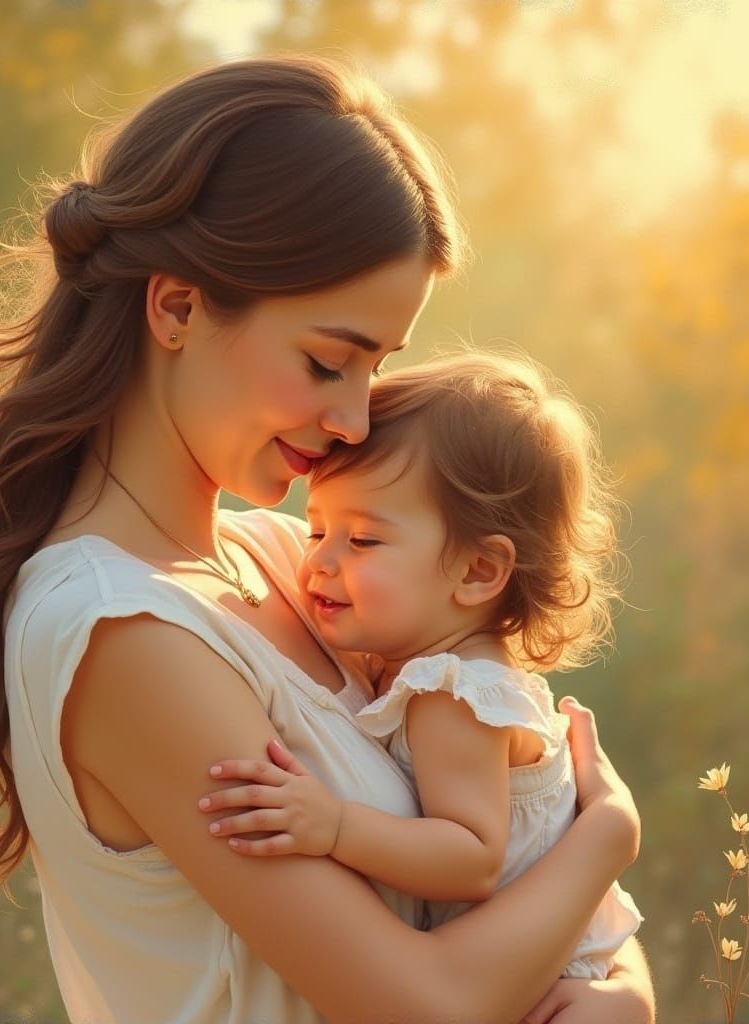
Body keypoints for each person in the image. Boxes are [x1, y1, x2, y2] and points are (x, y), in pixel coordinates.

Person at [0, 55, 654, 1023]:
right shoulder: (121, 629)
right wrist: (613, 836)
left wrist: (616, 990)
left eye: (377, 367)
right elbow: (423, 1002)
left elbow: (509, 855)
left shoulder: (282, 558)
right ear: (176, 307)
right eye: (326, 361)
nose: (354, 418)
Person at [197, 352, 644, 981]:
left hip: (537, 978)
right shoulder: (439, 658)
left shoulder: (450, 696)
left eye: (363, 541)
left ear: (478, 571)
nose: (318, 562)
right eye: (317, 528)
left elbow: (472, 857)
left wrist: (334, 824)